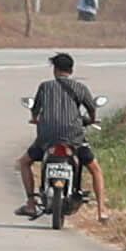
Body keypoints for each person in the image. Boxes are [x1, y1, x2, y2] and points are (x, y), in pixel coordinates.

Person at [20, 50, 97, 217]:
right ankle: (102, 210)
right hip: (74, 138)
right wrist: (91, 120)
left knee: (24, 163)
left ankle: (31, 203)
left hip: (47, 137)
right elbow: (91, 108)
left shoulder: (45, 87)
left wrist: (35, 119)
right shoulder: (80, 88)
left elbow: (35, 111)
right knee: (95, 169)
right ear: (71, 70)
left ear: (55, 69)